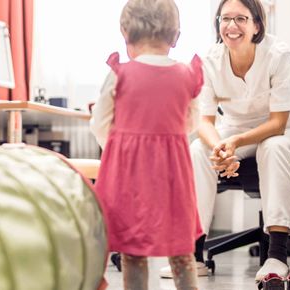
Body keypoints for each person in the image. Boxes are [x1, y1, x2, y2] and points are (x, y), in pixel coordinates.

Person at [158, 0, 290, 285]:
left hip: (285, 130)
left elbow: (278, 123)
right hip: (234, 129)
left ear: (256, 25)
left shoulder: (277, 55)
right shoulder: (208, 60)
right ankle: (193, 254)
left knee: (273, 147)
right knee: (197, 150)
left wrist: (234, 142)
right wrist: (220, 149)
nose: (231, 26)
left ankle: (277, 256)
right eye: (225, 19)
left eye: (241, 19)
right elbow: (204, 121)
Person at [89, 0, 204, 289]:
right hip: (172, 176)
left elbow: (100, 122)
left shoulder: (120, 74)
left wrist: (119, 145)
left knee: (133, 249)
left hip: (127, 174)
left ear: (125, 33)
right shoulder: (187, 75)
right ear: (175, 36)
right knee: (181, 250)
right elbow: (191, 123)